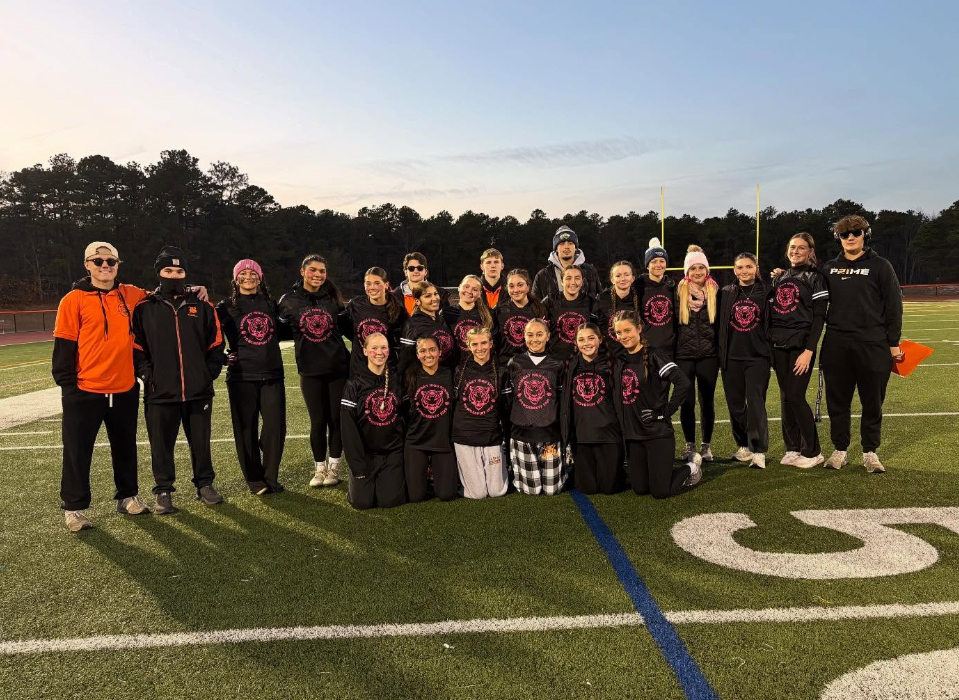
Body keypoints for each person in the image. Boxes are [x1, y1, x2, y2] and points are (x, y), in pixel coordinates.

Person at [53, 242, 150, 531]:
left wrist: (196, 289)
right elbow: (64, 347)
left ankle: (128, 496)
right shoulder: (73, 300)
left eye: (110, 261)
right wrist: (69, 387)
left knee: (125, 446)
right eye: (98, 261)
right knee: (77, 450)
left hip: (123, 388)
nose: (104, 265)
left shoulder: (130, 294)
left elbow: (164, 293)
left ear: (118, 264)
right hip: (85, 389)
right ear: (87, 265)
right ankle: (74, 508)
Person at [133, 246, 225, 514]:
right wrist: (148, 376)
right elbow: (136, 348)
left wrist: (207, 375)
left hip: (198, 391)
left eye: (179, 270)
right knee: (161, 445)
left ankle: (204, 484)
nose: (174, 275)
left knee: (201, 442)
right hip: (160, 392)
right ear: (159, 273)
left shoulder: (202, 305)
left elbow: (216, 343)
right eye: (168, 270)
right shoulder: (144, 307)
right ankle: (163, 490)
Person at [820, 215, 903, 473]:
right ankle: (840, 449)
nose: (851, 237)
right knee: (838, 401)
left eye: (856, 232)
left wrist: (893, 343)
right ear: (839, 239)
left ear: (866, 234)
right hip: (837, 342)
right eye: (845, 234)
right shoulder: (829, 268)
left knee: (872, 401)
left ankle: (870, 452)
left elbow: (894, 307)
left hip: (873, 343)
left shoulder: (881, 265)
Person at [215, 259, 287, 495]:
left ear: (260, 277)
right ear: (236, 279)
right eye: (243, 273)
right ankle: (255, 480)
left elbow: (289, 328)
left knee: (275, 428)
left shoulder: (270, 303)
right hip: (242, 376)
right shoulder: (225, 307)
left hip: (272, 374)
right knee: (246, 429)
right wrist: (221, 356)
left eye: (253, 273)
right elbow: (207, 333)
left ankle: (270, 476)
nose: (248, 276)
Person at [278, 254, 350, 489]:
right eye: (313, 270)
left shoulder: (333, 298)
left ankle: (335, 466)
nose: (318, 274)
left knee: (336, 420)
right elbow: (276, 332)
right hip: (309, 370)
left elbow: (349, 329)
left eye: (322, 271)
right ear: (302, 271)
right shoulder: (288, 300)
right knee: (317, 421)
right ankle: (319, 468)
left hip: (338, 367)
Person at [612, 311, 699, 497]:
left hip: (657, 433)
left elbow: (683, 382)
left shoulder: (655, 355)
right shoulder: (620, 359)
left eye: (627, 330)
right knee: (640, 489)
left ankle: (691, 467)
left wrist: (665, 411)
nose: (623, 336)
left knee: (661, 492)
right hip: (634, 436)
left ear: (639, 328)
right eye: (618, 333)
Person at [768, 233, 829, 469]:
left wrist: (809, 350)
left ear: (810, 251)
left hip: (801, 345)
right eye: (792, 247)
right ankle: (792, 448)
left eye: (801, 248)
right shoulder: (780, 277)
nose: (795, 251)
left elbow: (819, 318)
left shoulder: (816, 278)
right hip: (779, 344)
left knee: (795, 395)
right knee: (786, 398)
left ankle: (813, 451)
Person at [340, 333, 406, 509]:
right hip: (366, 454)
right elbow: (348, 427)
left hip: (392, 452)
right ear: (365, 350)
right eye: (374, 348)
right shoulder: (354, 383)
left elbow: (406, 415)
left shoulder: (397, 380)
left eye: (384, 347)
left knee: (389, 501)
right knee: (362, 502)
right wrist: (357, 464)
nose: (379, 352)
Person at [718, 253, 771, 470]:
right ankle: (743, 445)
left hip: (757, 357)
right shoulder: (727, 292)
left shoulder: (767, 291)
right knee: (736, 406)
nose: (744, 271)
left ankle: (759, 450)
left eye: (749, 266)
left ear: (756, 268)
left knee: (756, 403)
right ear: (734, 270)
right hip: (731, 357)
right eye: (740, 267)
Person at [560, 323, 624, 495]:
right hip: (582, 437)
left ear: (600, 340)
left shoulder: (613, 365)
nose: (586, 343)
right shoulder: (569, 366)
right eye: (581, 339)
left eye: (591, 338)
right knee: (588, 488)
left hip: (609, 435)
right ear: (576, 343)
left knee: (609, 489)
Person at [507, 319, 567, 495]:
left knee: (551, 490)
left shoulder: (558, 364)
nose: (535, 339)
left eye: (539, 334)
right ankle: (517, 471)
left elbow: (562, 400)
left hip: (549, 433)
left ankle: (561, 470)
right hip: (522, 433)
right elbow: (509, 400)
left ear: (548, 336)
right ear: (524, 336)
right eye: (530, 334)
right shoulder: (514, 363)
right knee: (532, 491)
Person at [452, 326, 511, 499]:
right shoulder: (459, 371)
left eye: (484, 343)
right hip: (464, 435)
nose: (480, 348)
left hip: (491, 435)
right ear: (468, 346)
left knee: (497, 491)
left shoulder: (501, 372)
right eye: (475, 344)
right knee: (477, 494)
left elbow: (506, 407)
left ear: (491, 343)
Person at [675, 245, 721, 464]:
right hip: (683, 356)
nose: (697, 272)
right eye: (693, 268)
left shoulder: (716, 292)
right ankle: (690, 445)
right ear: (687, 271)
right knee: (687, 401)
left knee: (707, 402)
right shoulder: (678, 291)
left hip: (708, 356)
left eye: (701, 267)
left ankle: (706, 446)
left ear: (707, 269)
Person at [404, 336, 459, 502]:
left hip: (442, 441)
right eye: (422, 351)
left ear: (440, 352)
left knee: (447, 494)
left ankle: (436, 473)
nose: (428, 354)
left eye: (432, 349)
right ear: (417, 354)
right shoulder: (409, 376)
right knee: (416, 496)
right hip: (416, 442)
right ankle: (423, 476)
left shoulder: (449, 374)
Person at [344, 266, 408, 373]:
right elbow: (344, 328)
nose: (372, 287)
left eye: (377, 283)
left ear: (386, 285)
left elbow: (402, 341)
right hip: (359, 371)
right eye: (368, 284)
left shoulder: (398, 310)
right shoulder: (355, 305)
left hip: (386, 370)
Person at [532, 225, 603, 300]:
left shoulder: (590, 271)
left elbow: (600, 300)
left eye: (570, 243)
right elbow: (534, 306)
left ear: (575, 248)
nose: (566, 247)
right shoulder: (543, 275)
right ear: (556, 249)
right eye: (562, 244)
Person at [543, 265, 598, 361]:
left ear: (582, 282)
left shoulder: (591, 302)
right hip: (555, 359)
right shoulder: (550, 301)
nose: (573, 282)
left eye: (577, 278)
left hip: (583, 360)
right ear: (562, 281)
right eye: (568, 278)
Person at [634, 237, 677, 357]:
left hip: (670, 349)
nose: (658, 265)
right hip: (647, 348)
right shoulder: (638, 287)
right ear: (647, 265)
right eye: (653, 261)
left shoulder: (672, 286)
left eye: (662, 261)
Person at [399, 281, 456, 371]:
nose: (434, 298)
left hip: (444, 376)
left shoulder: (442, 320)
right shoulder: (412, 324)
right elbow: (405, 359)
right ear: (417, 301)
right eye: (428, 296)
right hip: (422, 379)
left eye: (435, 294)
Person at [494, 269, 549, 363]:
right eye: (511, 286)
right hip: (504, 365)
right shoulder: (499, 310)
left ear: (528, 286)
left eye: (520, 285)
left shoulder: (540, 309)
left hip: (532, 364)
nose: (516, 290)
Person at [443, 275, 497, 362]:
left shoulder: (489, 314)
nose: (469, 291)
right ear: (459, 287)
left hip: (481, 367)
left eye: (475, 289)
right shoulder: (446, 313)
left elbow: (494, 342)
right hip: (455, 367)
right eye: (466, 286)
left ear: (479, 294)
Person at [597, 260, 639, 355]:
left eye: (626, 275)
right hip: (610, 354)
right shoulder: (602, 298)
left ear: (633, 278)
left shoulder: (640, 297)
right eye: (618, 276)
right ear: (612, 279)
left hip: (635, 353)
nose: (623, 279)